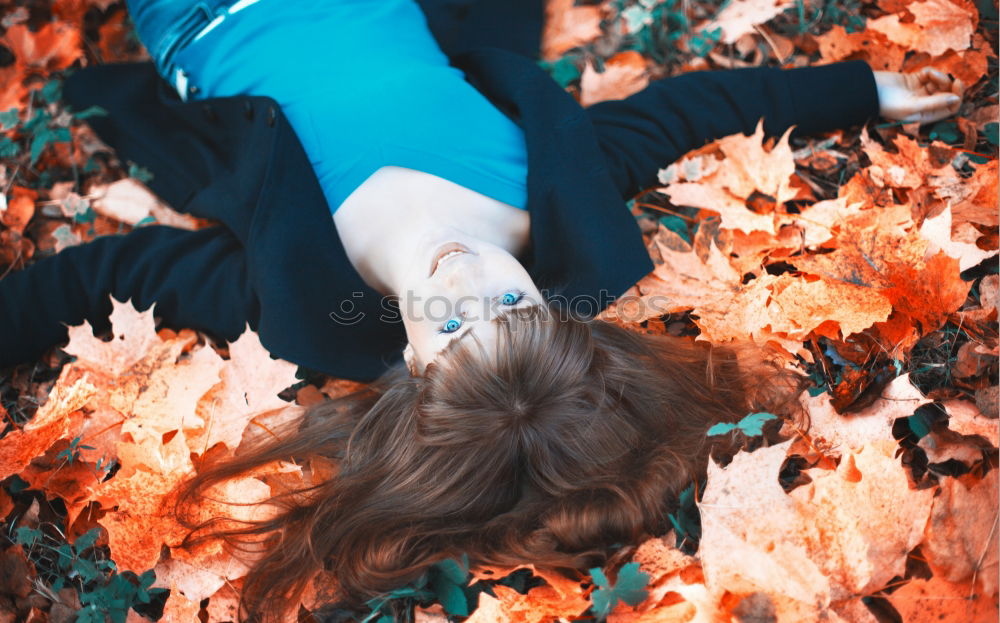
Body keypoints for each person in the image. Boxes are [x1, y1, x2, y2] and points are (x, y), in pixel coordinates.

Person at [0, 0, 964, 620]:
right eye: (509, 305)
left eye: (453, 328)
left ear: (413, 368)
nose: (463, 283)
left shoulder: (299, 299)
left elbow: (99, 276)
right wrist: (859, 86)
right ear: (554, 307)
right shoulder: (552, 198)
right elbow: (682, 110)